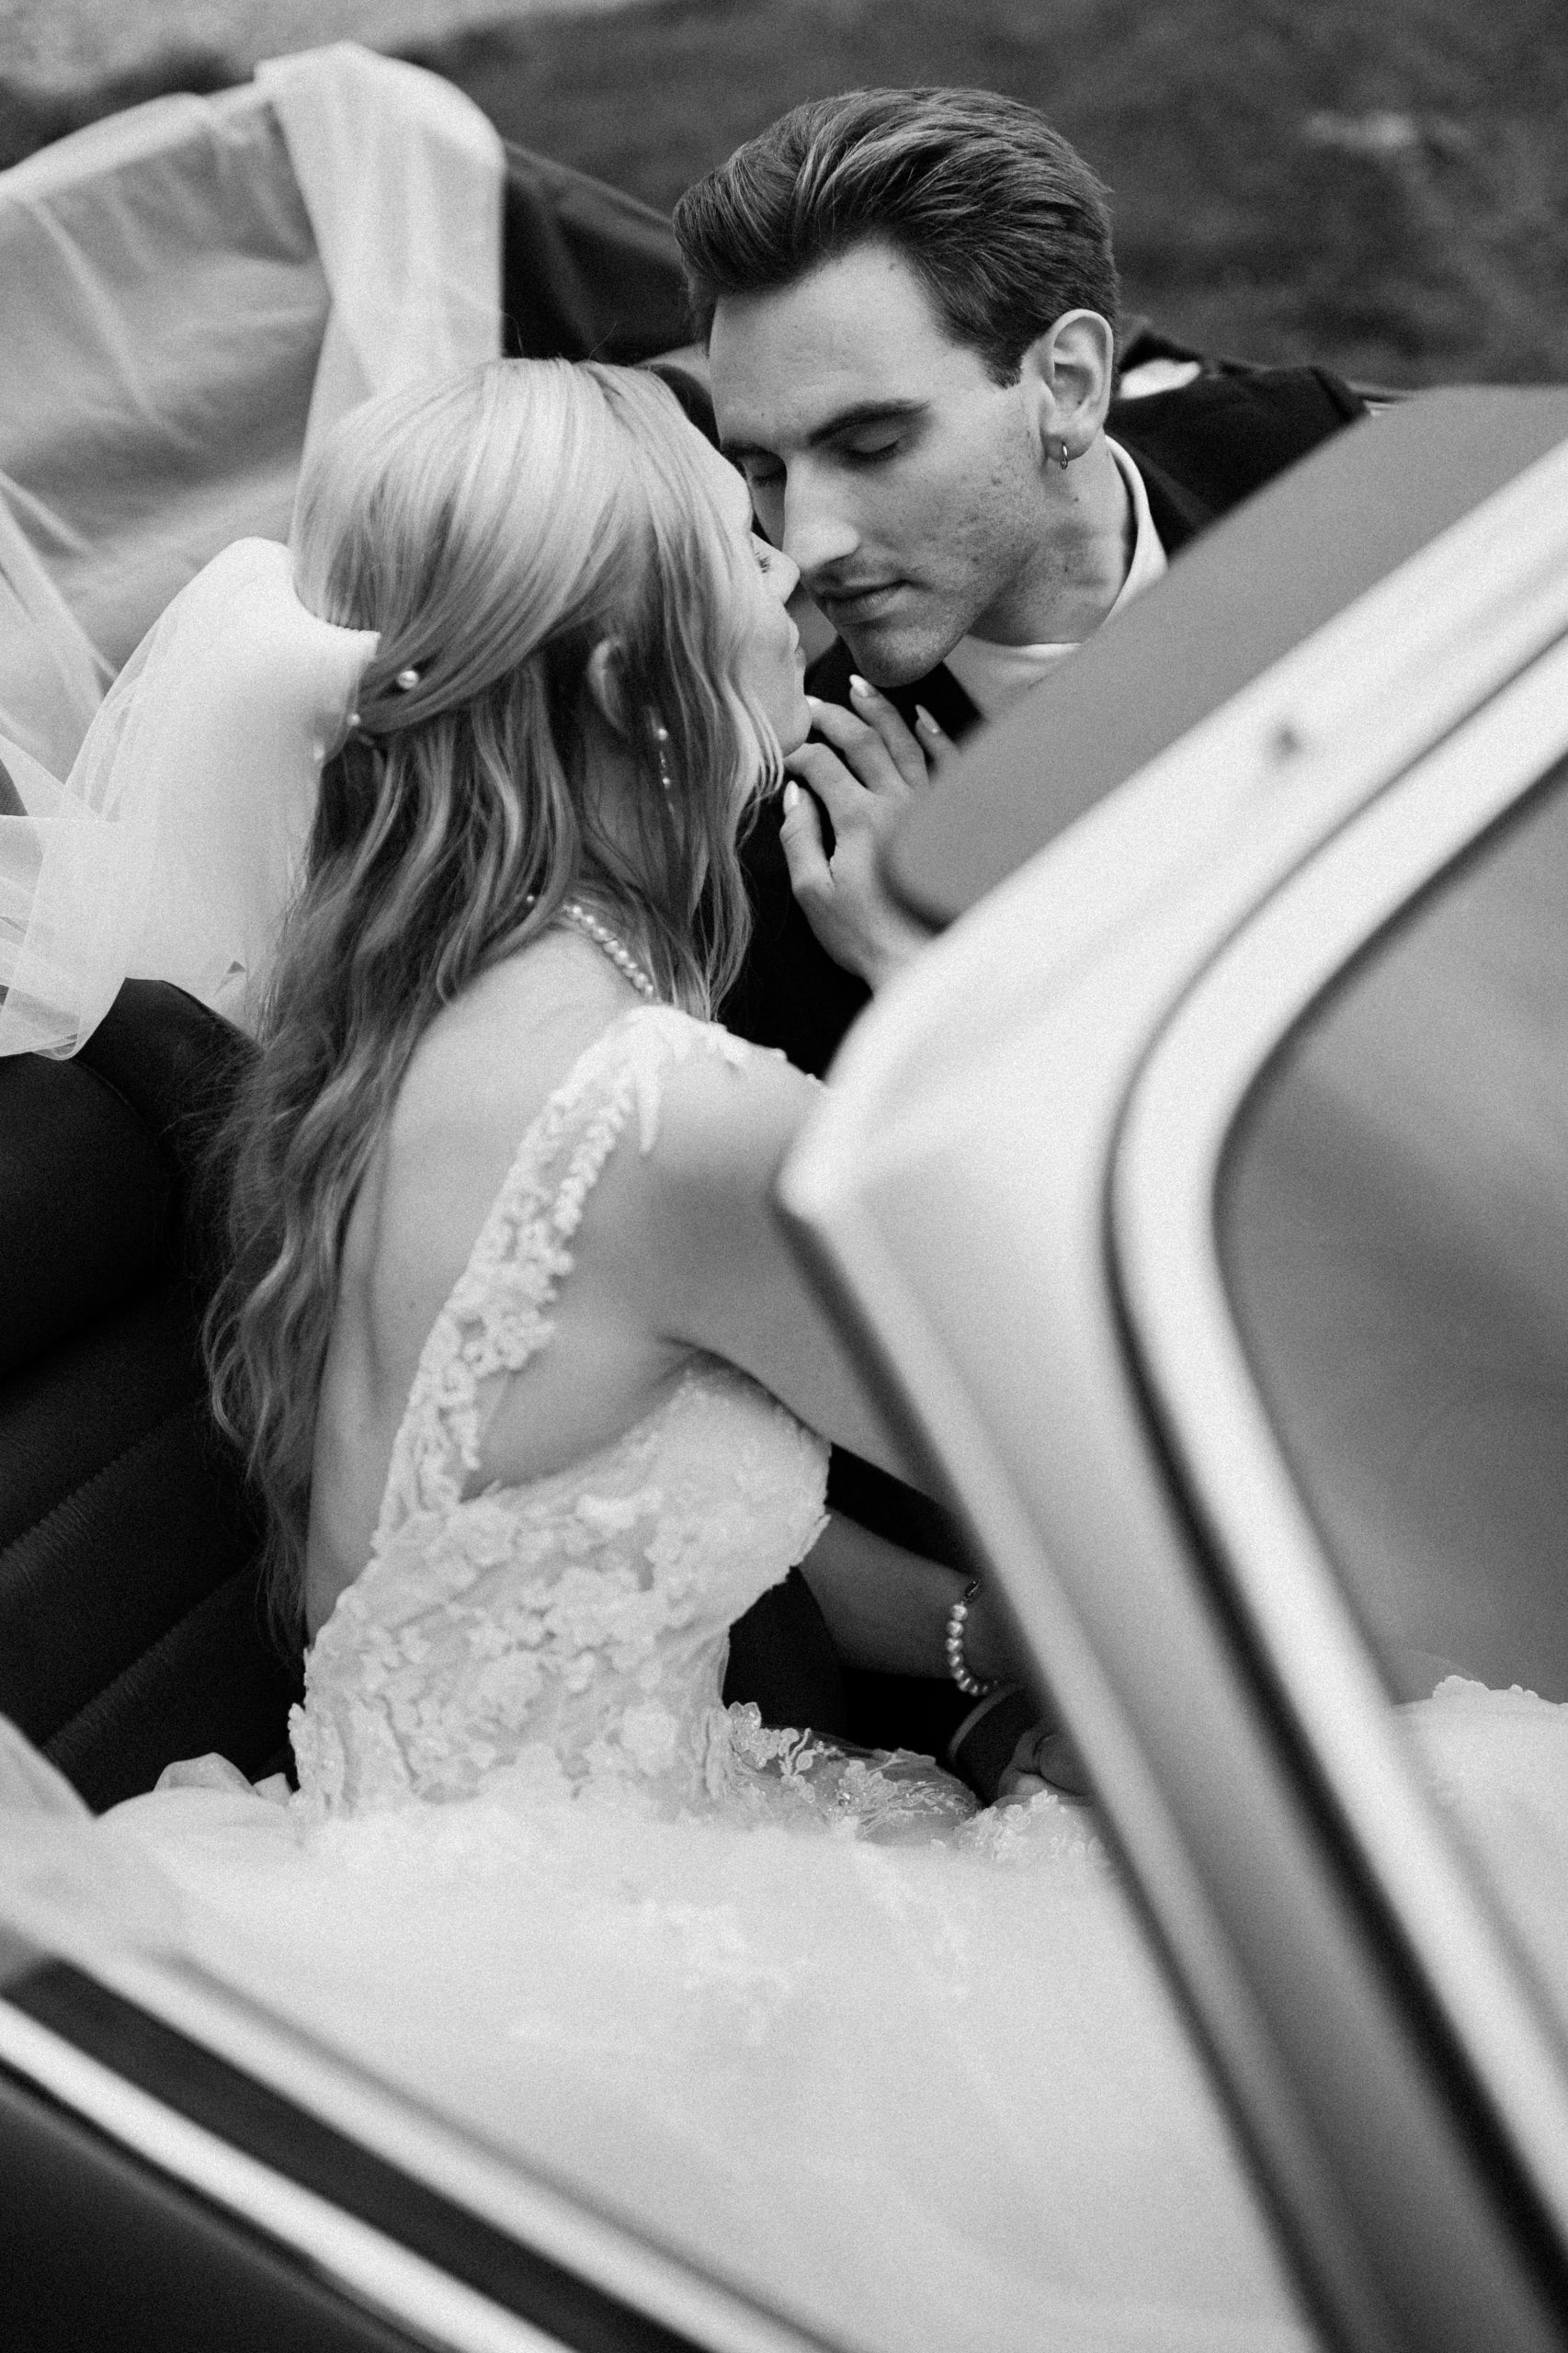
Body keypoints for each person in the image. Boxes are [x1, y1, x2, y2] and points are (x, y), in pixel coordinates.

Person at [0, 356, 1318, 2347]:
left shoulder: (376, 1044)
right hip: (602, 2003)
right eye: (739, 541)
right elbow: (1137, 1402)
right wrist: (944, 977)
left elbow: (603, 1524)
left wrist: (987, 1646)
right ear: (636, 684)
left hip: (413, 1906)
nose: (796, 572)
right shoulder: (666, 1118)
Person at [673, 89, 1368, 1771]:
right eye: (758, 467)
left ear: (1063, 382)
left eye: (868, 444)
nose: (802, 544)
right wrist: (942, 1003)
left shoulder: (1314, 471)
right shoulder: (781, 852)